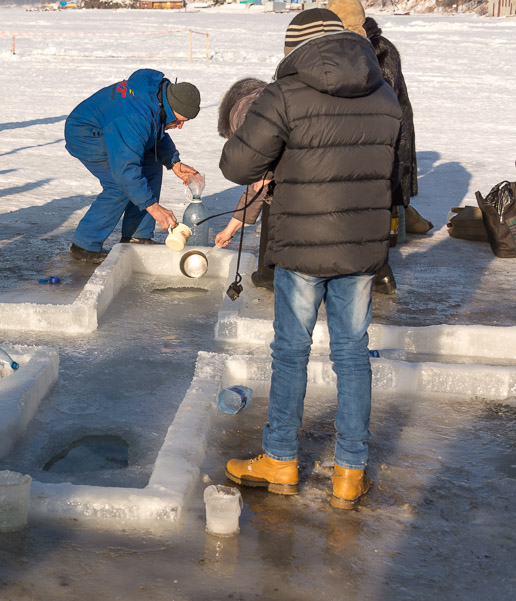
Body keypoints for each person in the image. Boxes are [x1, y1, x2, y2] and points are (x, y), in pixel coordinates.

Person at [219, 9, 402, 510]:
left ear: (295, 48)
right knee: (352, 354)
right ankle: (349, 472)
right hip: (362, 247)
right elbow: (392, 169)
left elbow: (236, 164)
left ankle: (280, 458)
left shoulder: (284, 95)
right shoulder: (384, 93)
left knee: (292, 352)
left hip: (302, 244)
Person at [327, 0, 433, 294]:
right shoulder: (343, 48)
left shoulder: (378, 50)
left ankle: (377, 266)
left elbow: (387, 102)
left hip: (384, 136)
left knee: (377, 198)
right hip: (367, 137)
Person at [64, 69, 202, 263]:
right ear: (172, 107)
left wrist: (174, 161)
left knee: (152, 164)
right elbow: (125, 170)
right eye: (179, 121)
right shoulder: (135, 117)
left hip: (113, 129)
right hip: (86, 134)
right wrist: (153, 207)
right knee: (119, 185)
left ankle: (137, 235)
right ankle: (84, 245)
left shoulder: (156, 98)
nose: (180, 126)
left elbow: (153, 128)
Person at [213, 77, 275, 290]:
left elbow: (259, 181)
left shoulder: (244, 115)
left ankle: (272, 273)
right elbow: (257, 184)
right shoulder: (265, 99)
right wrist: (230, 230)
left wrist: (265, 176)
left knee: (274, 201)